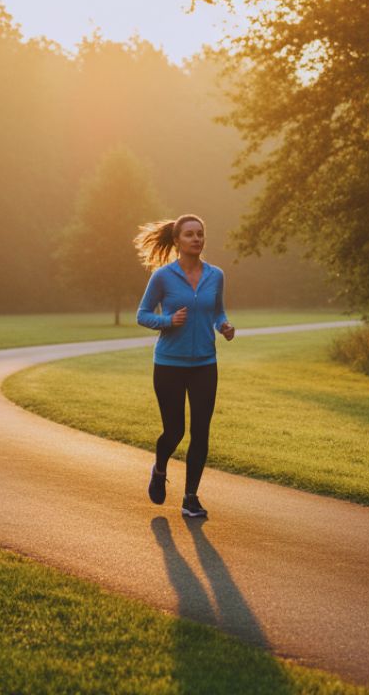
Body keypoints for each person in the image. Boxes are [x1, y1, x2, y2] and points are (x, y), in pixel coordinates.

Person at [134, 214, 235, 518]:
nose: (196, 239)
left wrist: (224, 326)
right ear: (177, 241)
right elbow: (142, 314)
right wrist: (168, 321)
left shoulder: (215, 275)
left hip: (205, 363)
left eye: (200, 234)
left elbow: (217, 311)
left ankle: (191, 497)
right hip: (169, 365)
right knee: (174, 431)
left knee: (201, 432)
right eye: (189, 234)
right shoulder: (163, 277)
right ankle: (160, 468)